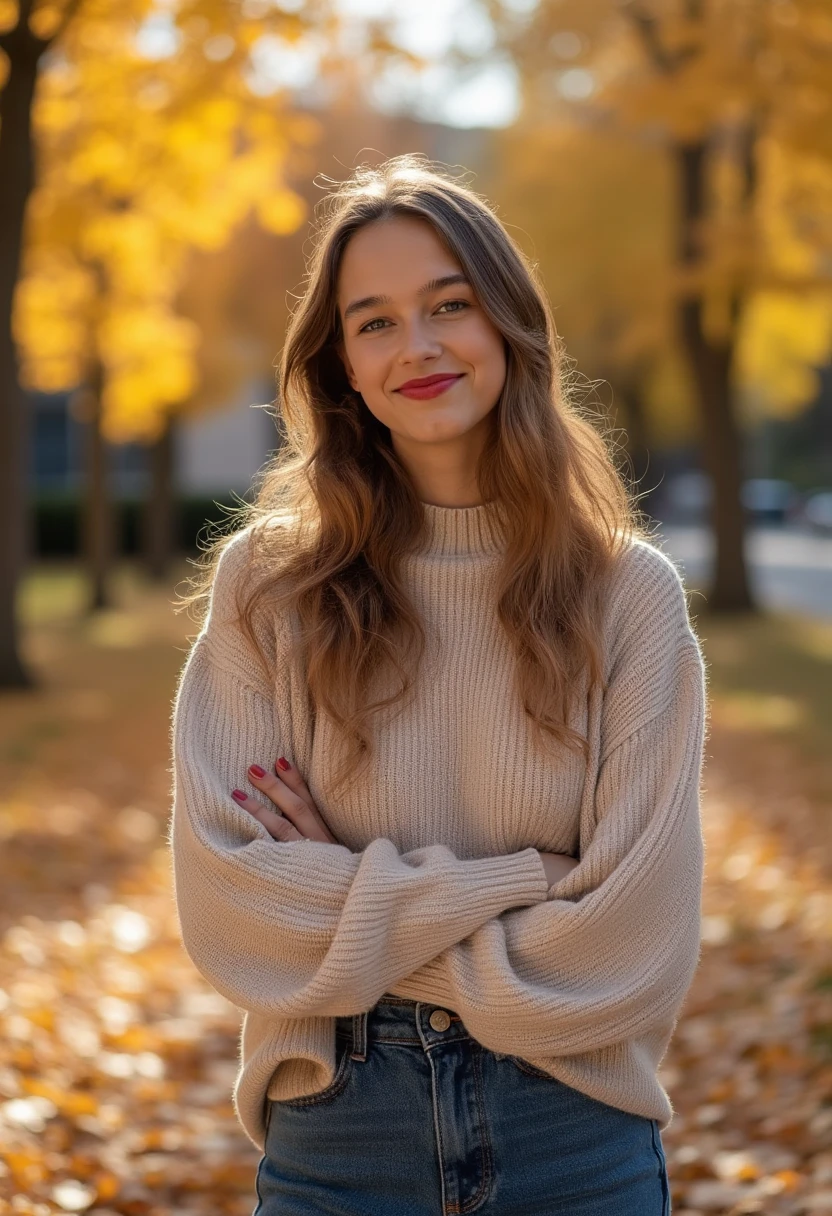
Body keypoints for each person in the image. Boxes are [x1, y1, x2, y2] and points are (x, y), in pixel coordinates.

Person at [169, 153, 706, 1216]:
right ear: (343, 369)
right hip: (340, 1130)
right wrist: (521, 881)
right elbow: (237, 911)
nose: (416, 346)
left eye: (447, 305)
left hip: (572, 1126)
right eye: (373, 322)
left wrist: (343, 894)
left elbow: (628, 946)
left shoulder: (627, 595)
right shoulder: (269, 587)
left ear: (507, 323)